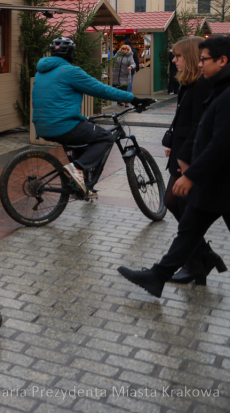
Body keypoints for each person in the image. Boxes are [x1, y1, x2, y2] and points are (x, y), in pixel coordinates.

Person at [118, 36, 230, 298]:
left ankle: (184, 268)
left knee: (187, 223)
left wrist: (190, 173)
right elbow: (200, 127)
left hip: (219, 179)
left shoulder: (224, 93)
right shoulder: (217, 87)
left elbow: (220, 143)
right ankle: (159, 276)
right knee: (189, 228)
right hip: (214, 180)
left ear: (222, 60)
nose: (200, 65)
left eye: (205, 60)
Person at [32, 37, 143, 195]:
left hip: (41, 125)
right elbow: (101, 89)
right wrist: (133, 98)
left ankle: (81, 185)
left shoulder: (40, 72)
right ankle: (76, 169)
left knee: (83, 137)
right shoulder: (70, 71)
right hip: (63, 124)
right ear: (71, 53)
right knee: (105, 137)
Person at [162, 37, 223, 285]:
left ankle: (197, 262)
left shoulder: (201, 86)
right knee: (178, 204)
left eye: (178, 56)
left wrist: (185, 156)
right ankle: (202, 259)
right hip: (182, 150)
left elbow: (201, 126)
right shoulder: (189, 84)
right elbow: (183, 119)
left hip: (190, 156)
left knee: (180, 204)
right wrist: (171, 139)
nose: (174, 61)